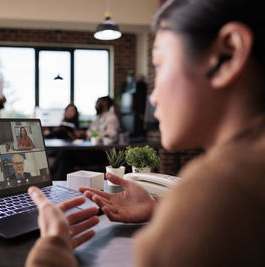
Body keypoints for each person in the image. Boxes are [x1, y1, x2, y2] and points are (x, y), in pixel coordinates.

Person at [26, 0, 265, 266]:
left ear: (228, 55)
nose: (152, 96)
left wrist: (53, 246)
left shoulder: (221, 189)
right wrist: (158, 208)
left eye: (160, 64)